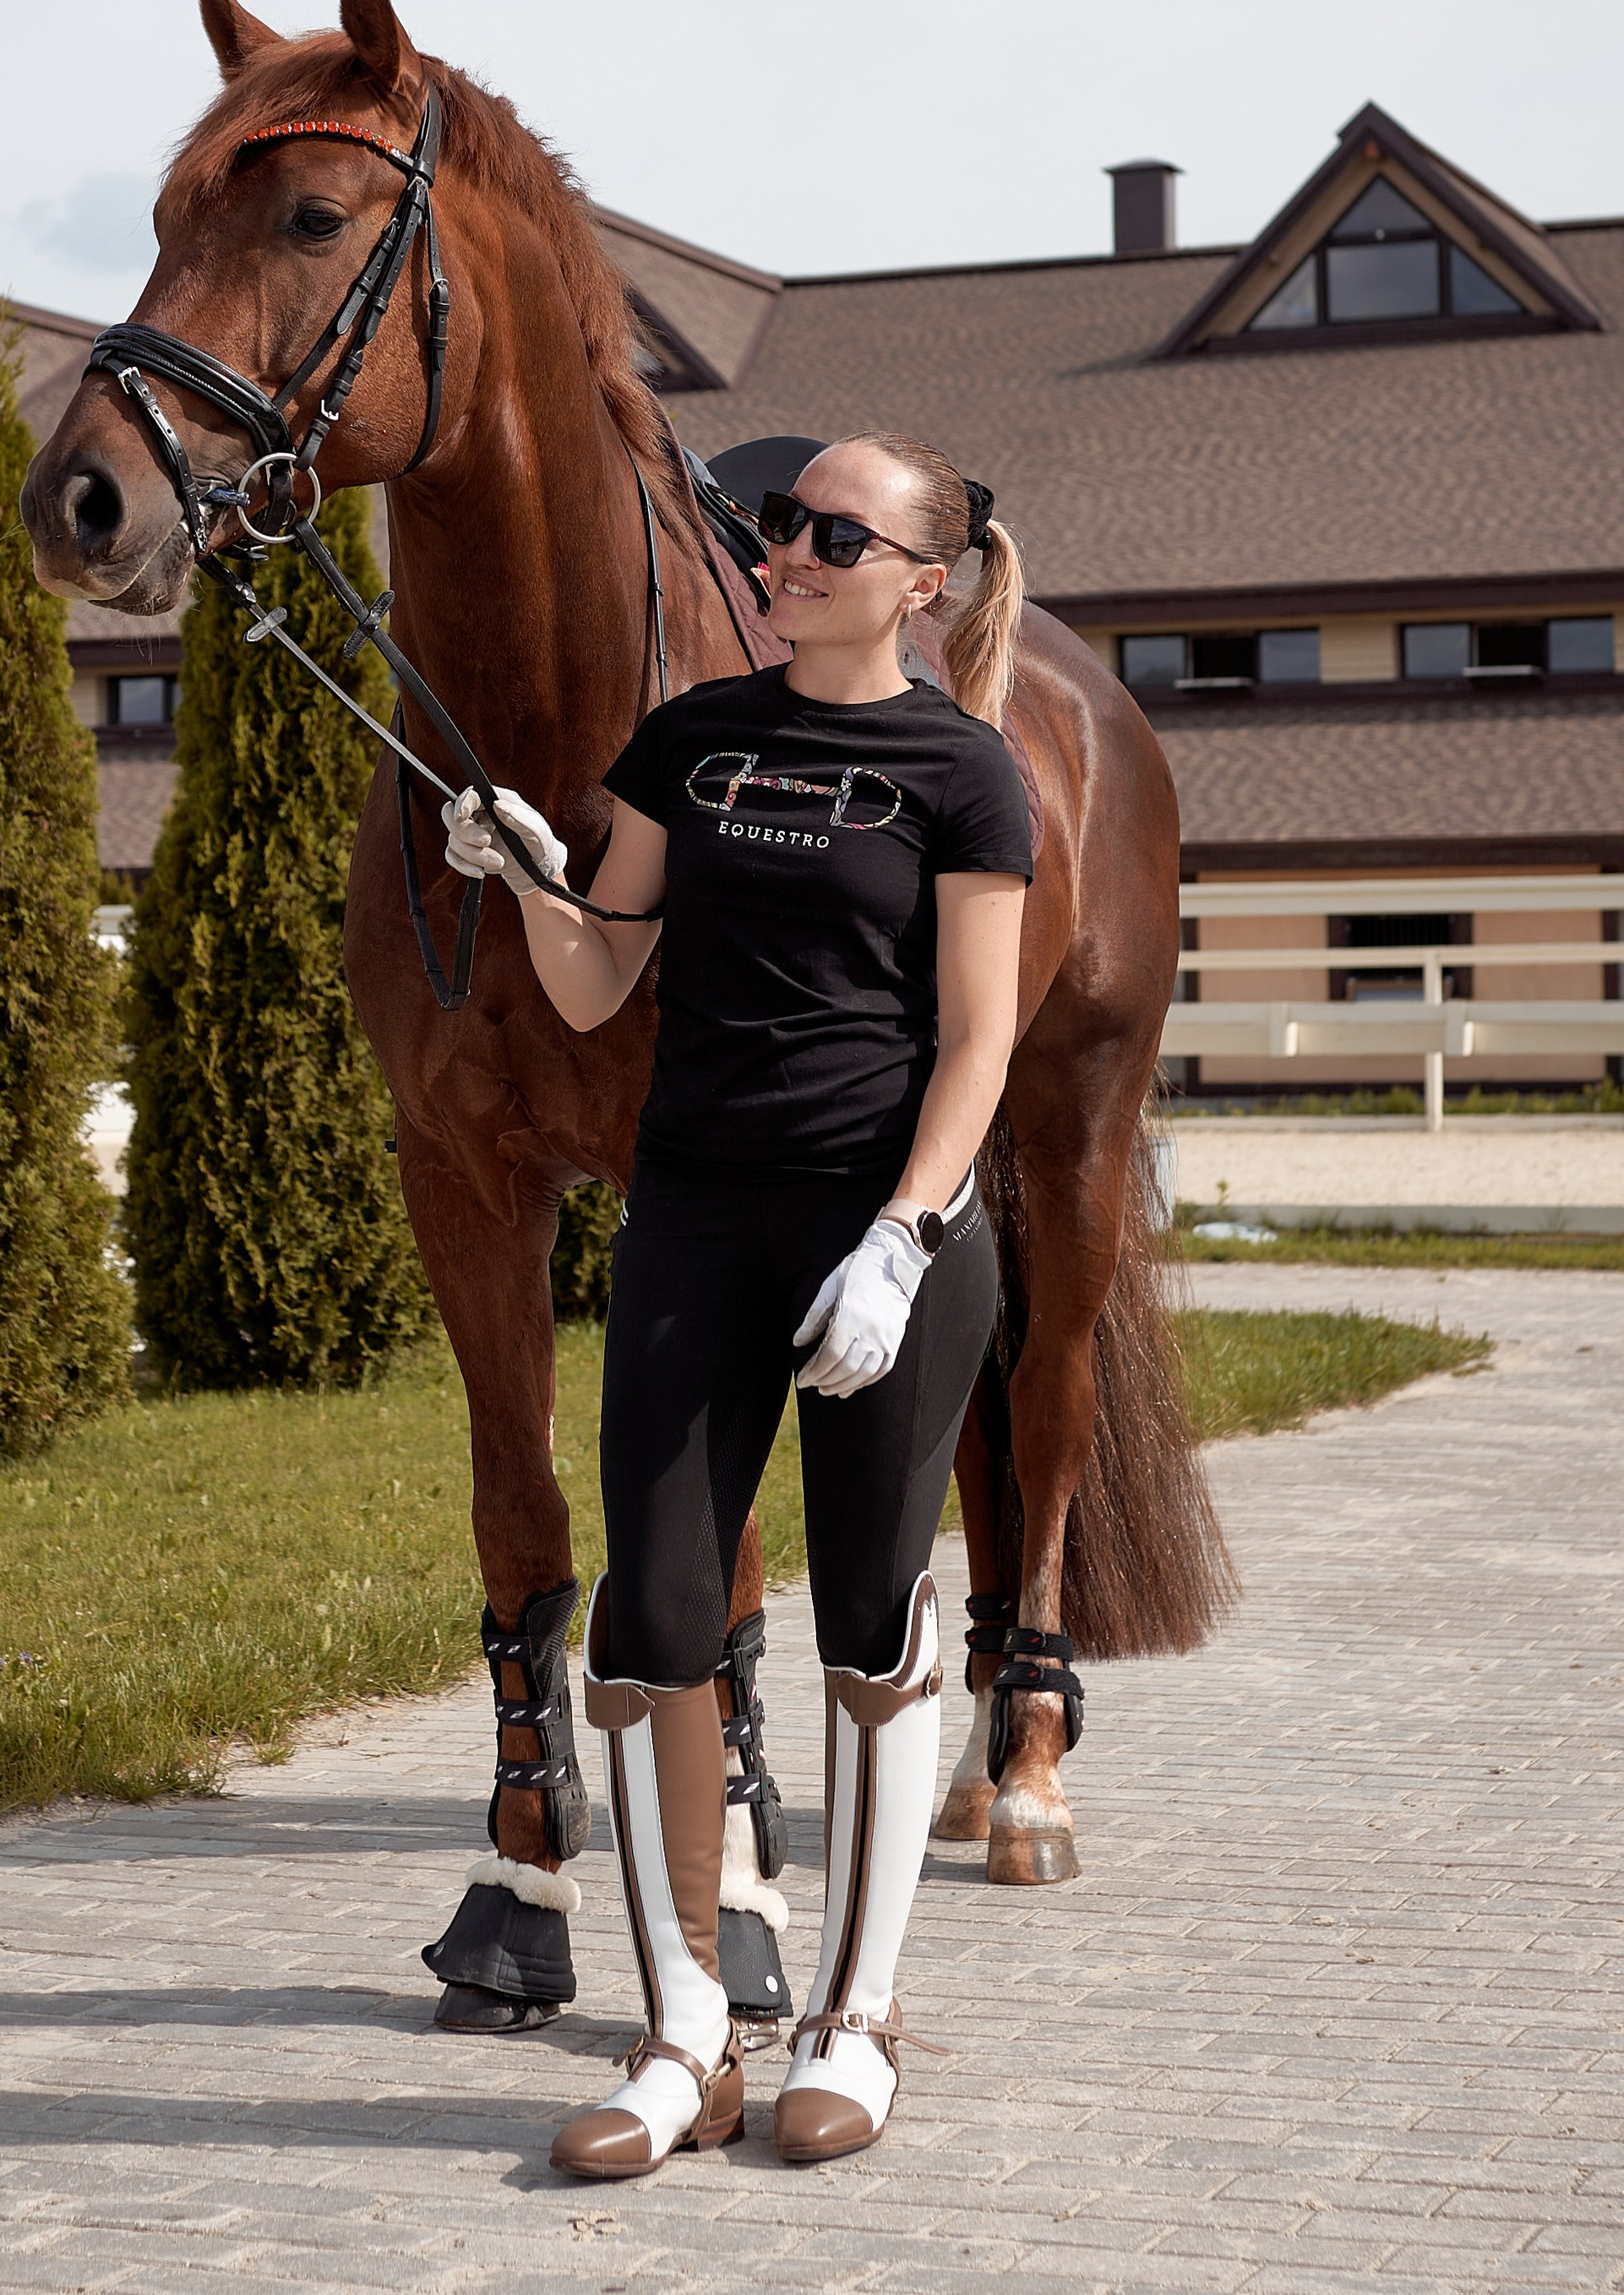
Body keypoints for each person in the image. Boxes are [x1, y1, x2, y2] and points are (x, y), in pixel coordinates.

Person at [441, 433, 1032, 2178]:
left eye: (827, 531)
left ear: (918, 582)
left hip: (881, 1237)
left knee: (865, 1614)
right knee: (651, 1622)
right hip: (694, 1221)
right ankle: (684, 2035)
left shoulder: (960, 769)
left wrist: (906, 1234)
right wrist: (531, 877)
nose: (782, 547)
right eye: (778, 523)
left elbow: (982, 1034)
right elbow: (596, 974)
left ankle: (852, 2021)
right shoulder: (688, 742)